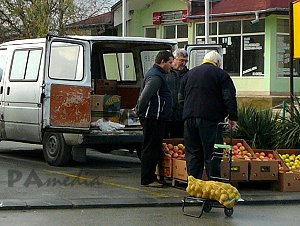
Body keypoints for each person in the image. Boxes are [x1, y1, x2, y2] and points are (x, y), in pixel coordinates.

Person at [178, 50, 238, 180]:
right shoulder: (221, 75)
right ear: (218, 63)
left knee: (193, 153)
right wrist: (233, 117)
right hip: (211, 120)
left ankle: (194, 184)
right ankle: (214, 185)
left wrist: (189, 110)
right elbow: (229, 97)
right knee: (213, 153)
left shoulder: (189, 74)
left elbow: (180, 98)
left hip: (189, 119)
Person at [135, 50, 174, 188]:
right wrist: (138, 110)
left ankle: (153, 176)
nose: (172, 65)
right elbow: (145, 96)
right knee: (150, 148)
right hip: (153, 117)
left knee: (154, 147)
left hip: (157, 117)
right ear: (162, 62)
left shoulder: (158, 74)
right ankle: (147, 178)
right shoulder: (156, 77)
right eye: (170, 62)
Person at [165, 49, 189, 138]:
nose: (183, 63)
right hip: (166, 115)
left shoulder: (188, 75)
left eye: (186, 61)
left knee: (178, 142)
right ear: (174, 59)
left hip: (181, 116)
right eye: (181, 60)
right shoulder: (165, 73)